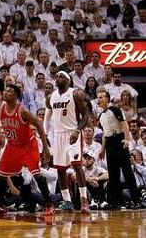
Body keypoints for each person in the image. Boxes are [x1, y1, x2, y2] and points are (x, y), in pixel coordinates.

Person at [0, 84, 54, 216]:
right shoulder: (0, 110)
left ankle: (49, 204)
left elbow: (38, 124)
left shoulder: (22, 110)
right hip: (12, 146)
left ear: (16, 95)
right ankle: (1, 205)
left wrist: (46, 148)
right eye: (5, 90)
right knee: (1, 175)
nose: (5, 92)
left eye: (9, 91)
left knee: (36, 173)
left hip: (28, 146)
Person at [44, 71, 91, 213]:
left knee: (77, 166)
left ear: (68, 80)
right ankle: (67, 201)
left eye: (61, 76)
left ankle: (84, 200)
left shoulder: (75, 93)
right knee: (60, 169)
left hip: (73, 133)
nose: (58, 78)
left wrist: (77, 131)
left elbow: (86, 114)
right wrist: (45, 135)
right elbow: (46, 118)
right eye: (57, 76)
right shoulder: (50, 97)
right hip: (57, 135)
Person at [97, 89, 141, 209]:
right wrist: (102, 149)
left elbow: (124, 124)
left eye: (101, 97)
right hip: (110, 144)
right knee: (113, 174)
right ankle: (114, 202)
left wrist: (126, 139)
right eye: (98, 97)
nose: (99, 99)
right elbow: (105, 134)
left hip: (119, 140)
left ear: (107, 99)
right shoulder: (100, 116)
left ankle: (136, 200)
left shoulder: (114, 110)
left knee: (127, 172)